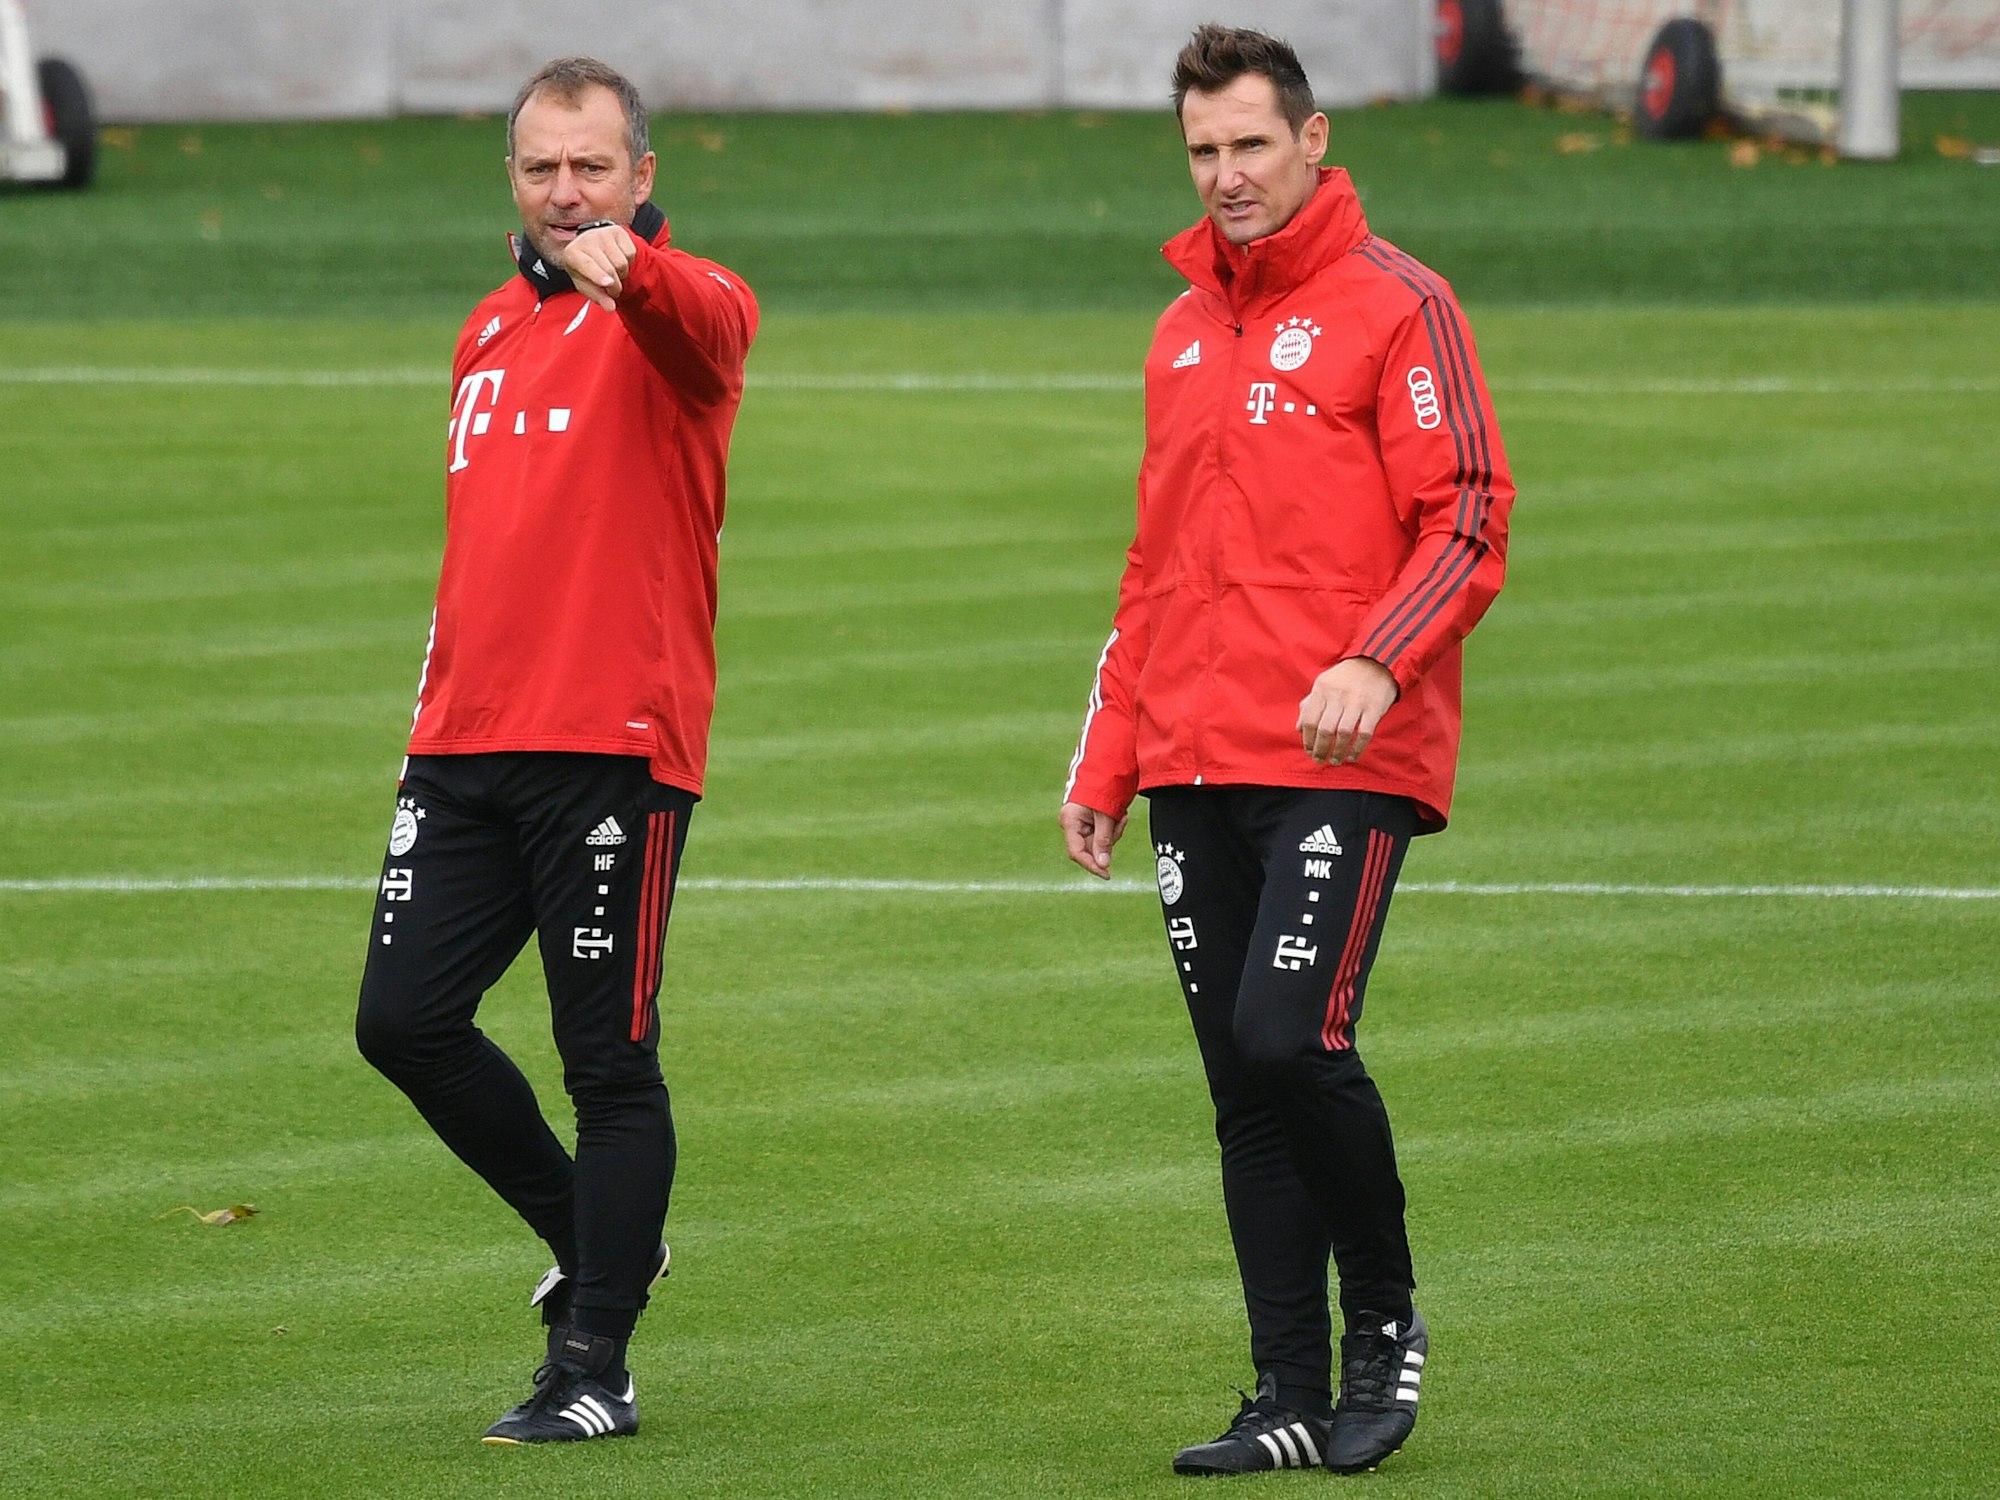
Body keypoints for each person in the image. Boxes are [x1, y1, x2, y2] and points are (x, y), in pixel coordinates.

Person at [1060, 24, 1513, 1478]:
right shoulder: (1183, 327)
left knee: (1288, 1037)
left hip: (1340, 754)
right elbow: (1154, 567)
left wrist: (1376, 660)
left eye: (1251, 144)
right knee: (1239, 1084)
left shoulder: (1400, 305)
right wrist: (1105, 758)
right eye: (1203, 150)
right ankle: (1284, 1395)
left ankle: (1385, 1327)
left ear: (1313, 141)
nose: (1227, 174)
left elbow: (1470, 517)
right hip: (1194, 758)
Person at [354, 55, 758, 1445]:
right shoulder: (482, 330)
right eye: (541, 168)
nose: (565, 192)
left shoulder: (681, 312)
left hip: (612, 743)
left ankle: (592, 1364)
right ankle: (602, 1242)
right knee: (400, 1021)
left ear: (644, 177)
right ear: (512, 179)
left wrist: (626, 271)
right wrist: (427, 716)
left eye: (592, 166)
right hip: (463, 741)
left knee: (607, 1063)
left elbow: (708, 319)